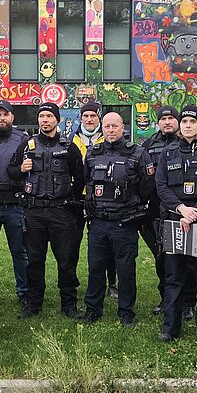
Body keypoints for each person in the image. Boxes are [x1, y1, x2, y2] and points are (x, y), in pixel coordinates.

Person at [8, 102, 85, 319]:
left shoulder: (69, 147)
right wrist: (21, 169)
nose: (45, 120)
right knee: (34, 259)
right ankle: (34, 303)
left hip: (61, 212)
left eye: (49, 116)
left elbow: (80, 178)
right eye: (41, 116)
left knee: (67, 260)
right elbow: (11, 172)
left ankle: (68, 303)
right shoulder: (27, 144)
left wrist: (71, 201)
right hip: (34, 213)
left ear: (57, 120)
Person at [80, 112, 154, 326]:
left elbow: (147, 187)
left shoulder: (138, 154)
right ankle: (93, 309)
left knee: (126, 269)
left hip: (125, 222)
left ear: (123, 128)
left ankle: (126, 311)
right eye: (107, 126)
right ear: (102, 129)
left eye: (115, 126)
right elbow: (88, 181)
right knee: (95, 267)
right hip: (98, 222)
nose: (111, 130)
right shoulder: (93, 153)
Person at [155, 105, 197, 345]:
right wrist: (181, 209)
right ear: (180, 126)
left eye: (193, 122)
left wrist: (194, 212)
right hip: (175, 221)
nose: (188, 126)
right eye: (185, 122)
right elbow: (161, 186)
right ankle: (170, 329)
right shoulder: (168, 152)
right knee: (174, 277)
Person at [0, 100, 28, 302]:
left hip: (15, 203)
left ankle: (24, 291)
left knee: (20, 250)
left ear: (12, 117)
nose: (2, 118)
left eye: (5, 114)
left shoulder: (23, 139)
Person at [69, 102, 114, 297]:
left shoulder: (109, 138)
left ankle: (112, 283)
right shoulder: (71, 139)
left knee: (108, 245)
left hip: (104, 199)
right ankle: (72, 283)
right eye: (85, 116)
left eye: (93, 116)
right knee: (72, 243)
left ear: (99, 118)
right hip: (78, 199)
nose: (89, 119)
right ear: (81, 118)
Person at [140, 106, 181, 315]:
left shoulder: (187, 142)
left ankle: (187, 303)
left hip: (181, 211)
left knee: (185, 258)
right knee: (161, 257)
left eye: (171, 118)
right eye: (163, 119)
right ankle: (166, 298)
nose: (167, 122)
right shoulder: (148, 145)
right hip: (155, 211)